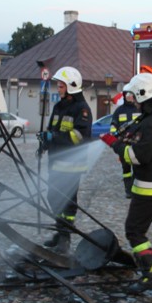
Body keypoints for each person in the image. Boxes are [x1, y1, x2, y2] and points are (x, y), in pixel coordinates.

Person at [100, 73, 152, 294]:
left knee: (134, 231)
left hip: (150, 188)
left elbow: (138, 157)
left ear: (143, 95)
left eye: (135, 96)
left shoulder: (151, 124)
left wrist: (116, 145)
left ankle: (150, 276)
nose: (133, 100)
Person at [36, 66, 92, 255]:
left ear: (71, 87)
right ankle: (60, 232)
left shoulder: (82, 109)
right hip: (56, 162)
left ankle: (65, 238)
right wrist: (44, 142)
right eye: (58, 85)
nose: (58, 89)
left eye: (61, 86)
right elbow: (53, 129)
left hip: (71, 165)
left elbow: (78, 136)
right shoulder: (59, 106)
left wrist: (55, 138)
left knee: (68, 202)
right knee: (53, 197)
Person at [109, 90, 141, 198]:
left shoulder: (139, 108)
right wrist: (114, 133)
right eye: (127, 95)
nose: (130, 97)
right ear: (124, 96)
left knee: (137, 167)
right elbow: (113, 123)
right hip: (123, 143)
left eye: (131, 95)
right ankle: (128, 190)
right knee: (126, 168)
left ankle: (136, 188)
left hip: (136, 142)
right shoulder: (119, 110)